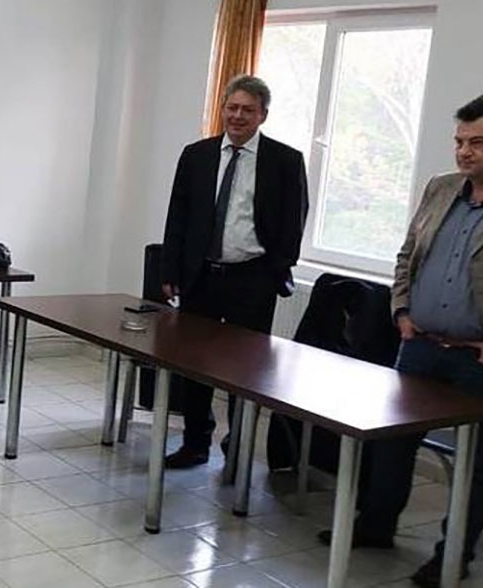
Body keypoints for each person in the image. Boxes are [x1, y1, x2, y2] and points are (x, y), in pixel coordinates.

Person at [318, 95, 483, 587]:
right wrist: (401, 311)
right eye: (460, 141)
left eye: (478, 142)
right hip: (420, 346)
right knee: (391, 444)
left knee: (476, 464)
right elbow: (407, 257)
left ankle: (453, 554)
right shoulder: (440, 188)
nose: (465, 151)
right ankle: (375, 525)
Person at [160, 74, 309, 469]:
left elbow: (294, 222)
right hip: (201, 278)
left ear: (262, 115)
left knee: (246, 370)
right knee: (194, 366)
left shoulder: (285, 160)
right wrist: (171, 269)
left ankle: (238, 446)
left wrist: (277, 268)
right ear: (222, 109)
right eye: (232, 107)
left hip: (252, 280)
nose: (238, 116)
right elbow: (178, 215)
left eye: (247, 110)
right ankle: (195, 443)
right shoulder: (197, 155)